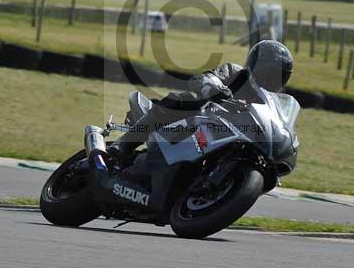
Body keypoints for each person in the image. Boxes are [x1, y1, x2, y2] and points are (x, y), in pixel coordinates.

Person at [109, 40, 294, 176]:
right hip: (201, 121)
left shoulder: (270, 104)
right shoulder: (235, 73)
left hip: (230, 141)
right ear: (255, 65)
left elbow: (276, 125)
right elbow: (202, 79)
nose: (270, 79)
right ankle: (122, 146)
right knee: (181, 99)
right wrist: (214, 88)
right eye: (268, 72)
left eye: (278, 76)